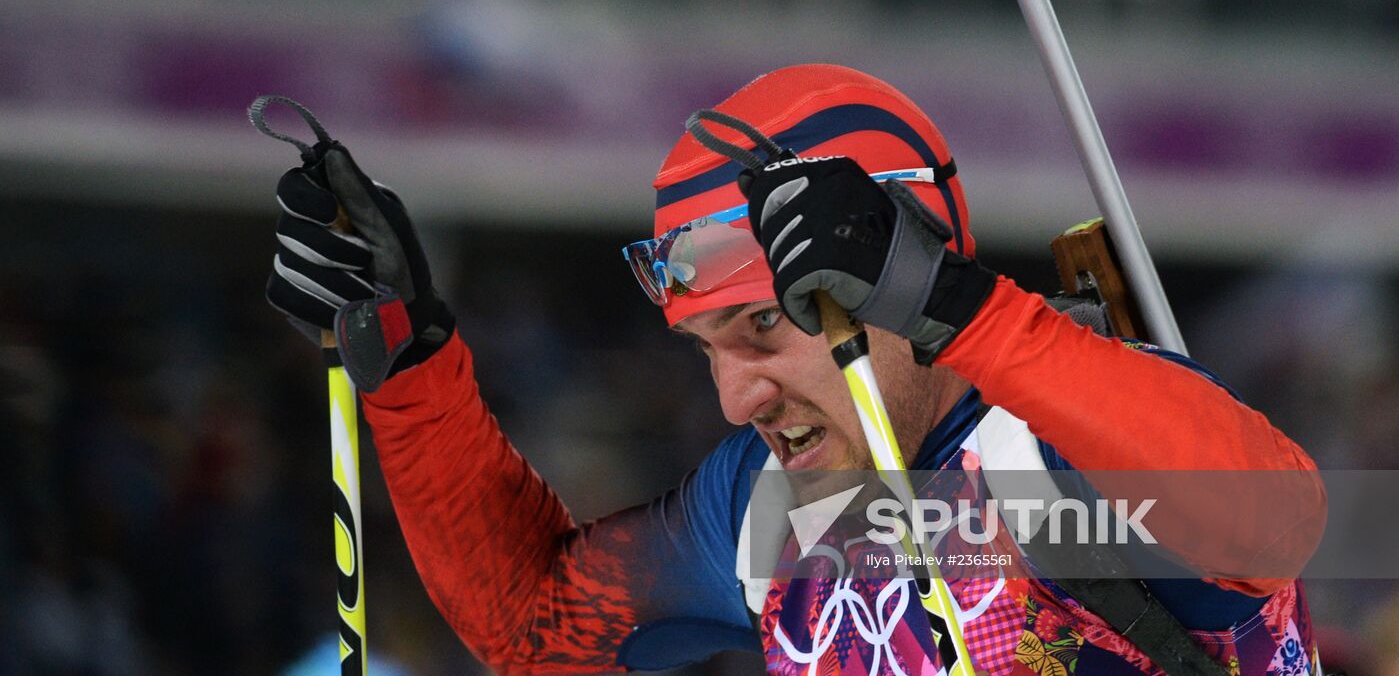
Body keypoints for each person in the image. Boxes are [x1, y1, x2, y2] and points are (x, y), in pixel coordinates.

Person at [265, 64, 1325, 676]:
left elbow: (1273, 525)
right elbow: (539, 630)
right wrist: (408, 370)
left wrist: (955, 307)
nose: (735, 400)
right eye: (706, 348)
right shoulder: (766, 508)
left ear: (896, 270)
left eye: (763, 331)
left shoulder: (1064, 441)